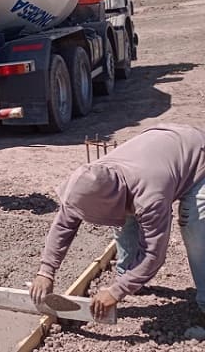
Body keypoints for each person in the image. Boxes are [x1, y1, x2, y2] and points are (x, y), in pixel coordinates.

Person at [30, 123, 205, 322]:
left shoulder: (150, 197)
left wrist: (116, 291)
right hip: (160, 146)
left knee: (194, 222)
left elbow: (154, 254)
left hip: (198, 156)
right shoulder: (90, 180)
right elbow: (64, 224)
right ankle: (133, 279)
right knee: (127, 220)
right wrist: (46, 271)